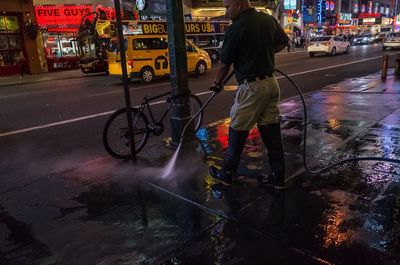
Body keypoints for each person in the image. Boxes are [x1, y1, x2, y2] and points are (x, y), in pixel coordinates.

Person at [208, 0, 287, 190]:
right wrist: (263, 53)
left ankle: (226, 173)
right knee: (270, 130)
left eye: (228, 7)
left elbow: (224, 63)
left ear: (239, 4)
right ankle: (278, 177)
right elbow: (283, 42)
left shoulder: (235, 29)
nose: (226, 11)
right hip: (271, 84)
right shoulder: (268, 20)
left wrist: (217, 83)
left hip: (252, 88)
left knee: (237, 127)